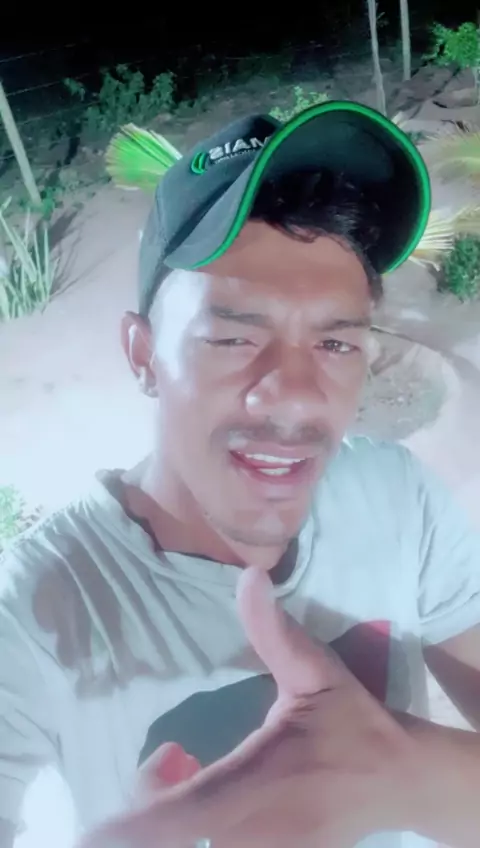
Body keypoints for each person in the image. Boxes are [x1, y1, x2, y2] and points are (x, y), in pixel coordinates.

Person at [1, 101, 480, 848]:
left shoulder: (399, 499)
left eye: (336, 344)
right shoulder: (35, 612)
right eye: (232, 338)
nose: (295, 396)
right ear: (143, 355)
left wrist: (419, 776)